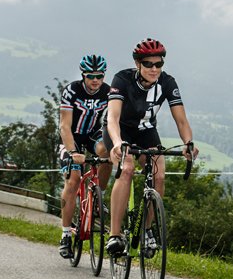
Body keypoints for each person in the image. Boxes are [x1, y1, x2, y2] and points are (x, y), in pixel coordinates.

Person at [104, 38, 198, 255]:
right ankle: (115, 235)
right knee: (126, 169)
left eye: (159, 64)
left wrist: (188, 143)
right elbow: (113, 117)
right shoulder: (123, 79)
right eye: (148, 64)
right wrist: (118, 143)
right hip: (120, 129)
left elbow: (181, 120)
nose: (154, 69)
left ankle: (146, 230)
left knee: (159, 175)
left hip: (146, 131)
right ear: (138, 64)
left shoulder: (167, 82)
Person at [57, 54, 112, 258]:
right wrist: (73, 152)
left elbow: (115, 120)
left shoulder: (108, 92)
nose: (95, 80)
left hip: (93, 135)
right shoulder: (72, 90)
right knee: (73, 180)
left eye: (99, 76)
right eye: (91, 76)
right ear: (83, 75)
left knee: (107, 152)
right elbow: (64, 125)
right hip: (71, 137)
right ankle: (65, 235)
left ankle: (100, 195)